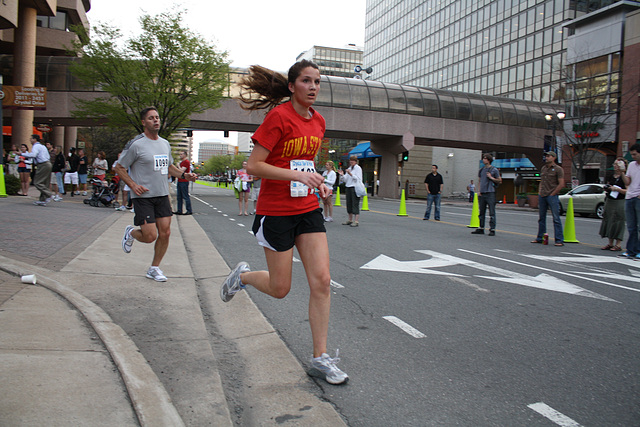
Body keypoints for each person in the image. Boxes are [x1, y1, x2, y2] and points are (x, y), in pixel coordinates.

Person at [219, 60, 348, 385]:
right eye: (307, 81)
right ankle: (244, 277)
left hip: (307, 208)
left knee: (321, 280)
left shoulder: (318, 122)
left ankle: (320, 358)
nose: (314, 87)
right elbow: (253, 166)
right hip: (275, 211)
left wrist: (316, 181)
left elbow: (304, 163)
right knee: (280, 288)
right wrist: (297, 174)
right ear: (292, 86)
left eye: (317, 82)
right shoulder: (278, 117)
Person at [115, 107, 197, 282]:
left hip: (162, 195)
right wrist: (133, 185)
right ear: (144, 122)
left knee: (165, 233)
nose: (156, 120)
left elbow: (169, 167)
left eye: (157, 117)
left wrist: (184, 175)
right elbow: (119, 167)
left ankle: (154, 268)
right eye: (151, 118)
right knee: (150, 236)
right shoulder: (136, 144)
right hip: (143, 196)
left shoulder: (165, 143)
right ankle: (131, 233)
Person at [531, 151, 565, 246]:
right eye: (546, 156)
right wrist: (539, 192)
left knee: (556, 218)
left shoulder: (558, 169)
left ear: (554, 157)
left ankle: (559, 240)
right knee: (541, 218)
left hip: (552, 196)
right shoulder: (543, 168)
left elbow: (561, 184)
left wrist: (552, 194)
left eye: (548, 156)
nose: (546, 157)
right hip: (542, 195)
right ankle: (540, 237)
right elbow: (541, 181)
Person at [599, 157, 627, 252]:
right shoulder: (611, 176)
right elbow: (608, 186)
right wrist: (607, 188)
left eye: (617, 164)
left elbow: (628, 190)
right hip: (610, 200)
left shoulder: (625, 177)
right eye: (614, 164)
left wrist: (617, 189)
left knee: (618, 220)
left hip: (620, 201)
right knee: (609, 220)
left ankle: (618, 244)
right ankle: (610, 243)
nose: (615, 166)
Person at [471, 154, 502, 236]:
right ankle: (481, 228)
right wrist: (479, 191)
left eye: (484, 158)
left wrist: (491, 177)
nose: (483, 160)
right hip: (482, 193)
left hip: (490, 192)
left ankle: (492, 229)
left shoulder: (494, 170)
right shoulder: (481, 170)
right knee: (481, 211)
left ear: (488, 160)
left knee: (492, 212)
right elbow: (480, 181)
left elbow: (499, 180)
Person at [20, 135, 54, 205]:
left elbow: (33, 155)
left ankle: (49, 194)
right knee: (45, 183)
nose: (30, 140)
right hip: (48, 163)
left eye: (31, 139)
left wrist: (21, 154)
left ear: (34, 139)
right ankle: (43, 200)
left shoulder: (36, 146)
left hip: (42, 164)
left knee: (37, 182)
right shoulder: (43, 146)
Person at [621, 144, 640, 259]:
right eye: (632, 154)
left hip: (638, 197)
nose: (633, 157)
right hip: (629, 196)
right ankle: (630, 250)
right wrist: (622, 172)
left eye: (635, 154)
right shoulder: (632, 165)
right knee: (631, 226)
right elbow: (627, 182)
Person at [338, 155, 363, 227]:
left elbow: (358, 179)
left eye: (353, 160)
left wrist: (350, 174)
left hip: (355, 187)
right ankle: (350, 219)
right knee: (349, 203)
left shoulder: (358, 168)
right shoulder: (349, 168)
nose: (351, 162)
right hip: (348, 187)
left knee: (355, 203)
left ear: (355, 161)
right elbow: (345, 179)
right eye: (350, 160)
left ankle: (356, 221)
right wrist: (342, 175)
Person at [174, 150, 193, 215]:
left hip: (184, 181)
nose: (180, 155)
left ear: (185, 155)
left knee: (185, 196)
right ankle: (179, 210)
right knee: (179, 197)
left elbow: (181, 171)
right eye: (180, 154)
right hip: (180, 180)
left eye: (181, 154)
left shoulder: (186, 162)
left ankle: (189, 210)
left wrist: (178, 166)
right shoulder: (182, 162)